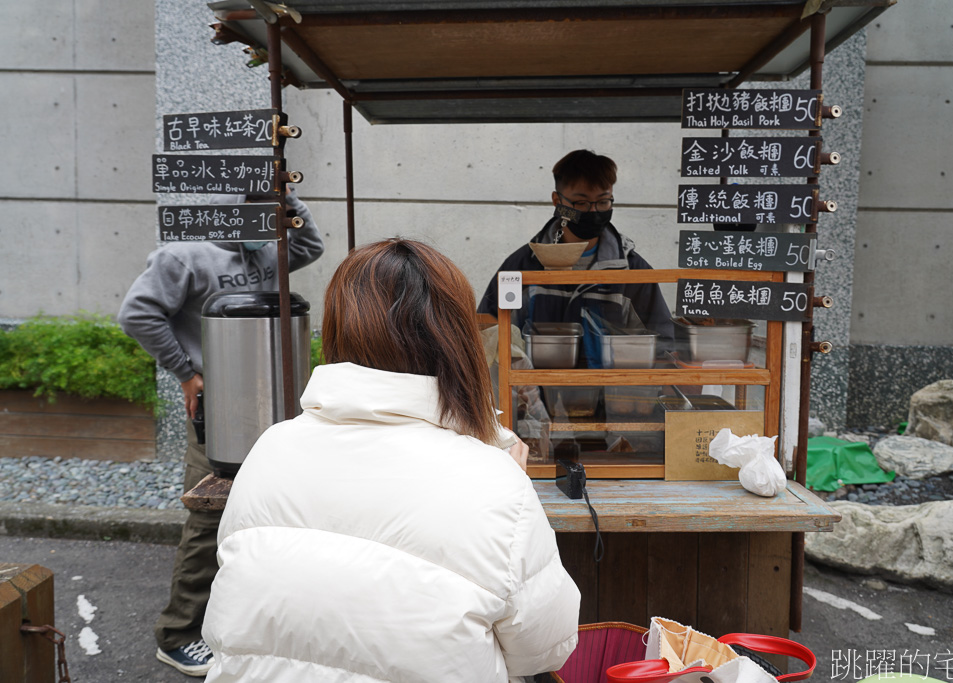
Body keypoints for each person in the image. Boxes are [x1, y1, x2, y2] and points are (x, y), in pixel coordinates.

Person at [201, 239, 580, 683]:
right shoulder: (495, 478)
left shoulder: (270, 447)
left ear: (337, 330)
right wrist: (507, 479)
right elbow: (545, 649)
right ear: (456, 341)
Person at [117, 189, 324, 677]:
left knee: (271, 508)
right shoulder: (185, 256)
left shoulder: (270, 249)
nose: (279, 231)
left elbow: (309, 245)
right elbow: (137, 313)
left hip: (274, 400)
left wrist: (290, 200)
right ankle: (179, 633)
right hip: (219, 406)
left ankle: (243, 620)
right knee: (209, 511)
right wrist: (186, 371)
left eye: (282, 221)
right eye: (270, 219)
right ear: (237, 214)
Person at [477, 149, 674, 368]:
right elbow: (486, 331)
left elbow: (664, 343)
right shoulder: (522, 266)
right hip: (534, 399)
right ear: (557, 201)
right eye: (581, 203)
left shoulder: (632, 271)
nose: (593, 211)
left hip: (612, 397)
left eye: (603, 202)